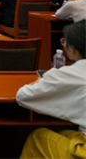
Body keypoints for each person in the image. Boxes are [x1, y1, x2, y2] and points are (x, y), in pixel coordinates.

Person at [17, 21, 86, 159]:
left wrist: (40, 80)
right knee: (63, 133)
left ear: (72, 49)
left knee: (37, 137)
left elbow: (22, 96)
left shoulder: (69, 74)